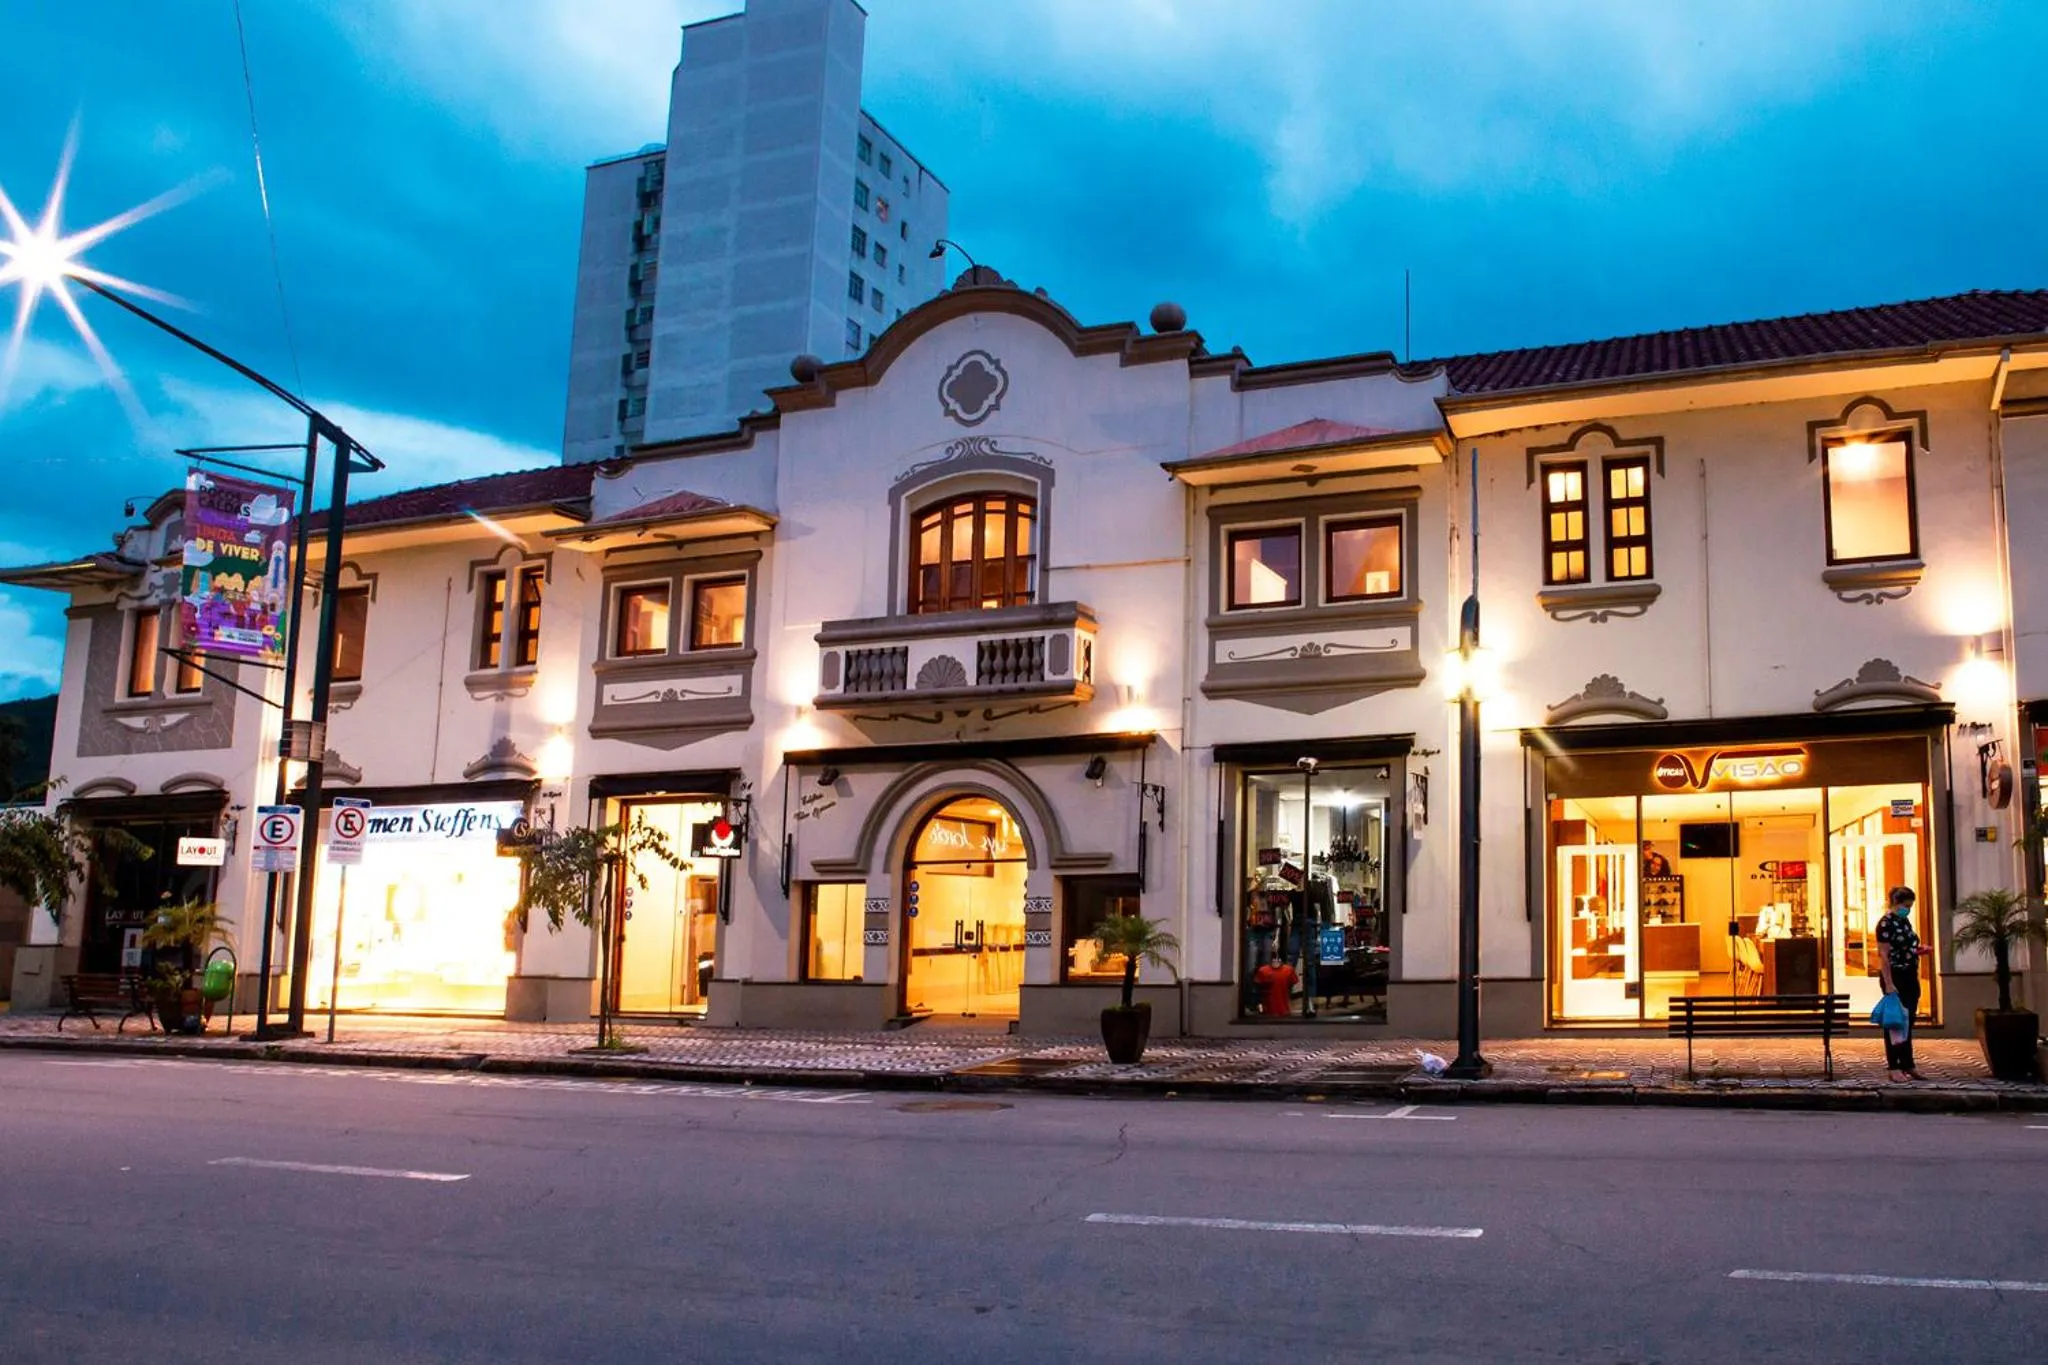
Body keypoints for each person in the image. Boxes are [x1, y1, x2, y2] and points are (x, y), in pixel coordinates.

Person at [1874, 885, 1933, 1081]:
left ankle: (1908, 1064)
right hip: (1895, 975)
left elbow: (1907, 946)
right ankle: (1894, 1067)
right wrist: (1889, 983)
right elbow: (1884, 956)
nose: (1908, 909)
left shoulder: (1904, 921)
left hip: (1910, 974)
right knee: (1895, 1022)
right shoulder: (1885, 924)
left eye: (1910, 906)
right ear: (1895, 903)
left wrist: (1918, 950)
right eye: (1906, 905)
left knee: (1908, 1022)